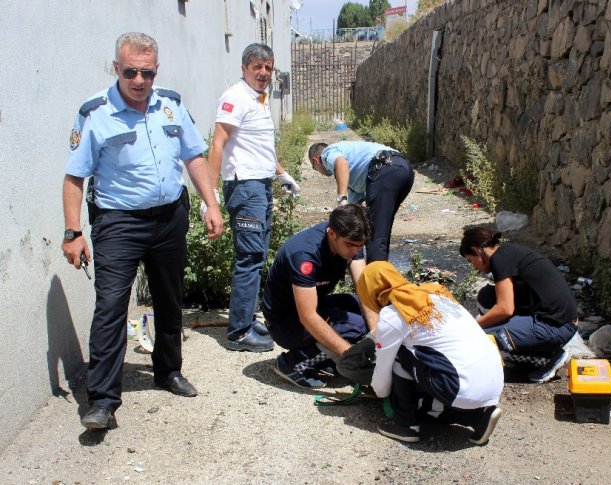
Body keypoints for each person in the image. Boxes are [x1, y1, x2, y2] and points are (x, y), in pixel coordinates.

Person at [61, 32, 223, 430]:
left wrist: (211, 202)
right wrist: (72, 232)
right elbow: (74, 178)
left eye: (146, 72)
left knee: (169, 300)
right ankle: (101, 400)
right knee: (111, 307)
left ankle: (168, 372)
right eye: (130, 71)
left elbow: (194, 156)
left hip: (169, 218)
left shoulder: (171, 104)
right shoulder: (95, 113)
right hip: (119, 224)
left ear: (156, 70)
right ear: (116, 68)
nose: (139, 80)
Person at [207, 43, 300, 352]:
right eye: (257, 66)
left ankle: (245, 318)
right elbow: (218, 144)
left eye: (268, 67)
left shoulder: (258, 100)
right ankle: (238, 333)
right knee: (249, 259)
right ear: (244, 68)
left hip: (260, 185)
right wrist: (212, 197)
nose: (263, 73)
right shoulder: (235, 97)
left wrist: (282, 173)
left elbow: (258, 148)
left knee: (258, 256)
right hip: (245, 188)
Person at [357, 261, 504, 445]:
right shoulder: (435, 293)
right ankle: (477, 418)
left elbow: (383, 369)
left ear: (369, 291)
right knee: (426, 371)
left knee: (399, 354)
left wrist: (383, 394)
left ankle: (405, 425)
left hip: (459, 385)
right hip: (494, 382)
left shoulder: (393, 314)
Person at [262, 204, 376, 389]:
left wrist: (378, 336)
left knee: (363, 310)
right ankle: (292, 363)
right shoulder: (304, 254)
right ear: (332, 234)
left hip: (312, 304)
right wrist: (350, 355)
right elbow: (307, 316)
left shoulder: (352, 238)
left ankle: (328, 359)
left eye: (360, 246)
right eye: (350, 245)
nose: (355, 251)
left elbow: (364, 290)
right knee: (355, 326)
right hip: (283, 321)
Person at [459, 227, 578, 383]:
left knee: (484, 339)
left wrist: (471, 327)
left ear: (476, 249)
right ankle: (526, 343)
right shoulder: (507, 252)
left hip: (555, 326)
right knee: (486, 297)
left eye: (470, 260)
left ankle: (548, 358)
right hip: (558, 319)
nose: (473, 266)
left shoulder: (499, 259)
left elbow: (505, 308)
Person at [307, 141, 414, 263]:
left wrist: (341, 199)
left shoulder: (327, 153)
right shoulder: (356, 178)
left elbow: (341, 163)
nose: (319, 172)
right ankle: (375, 270)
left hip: (384, 170)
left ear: (315, 161)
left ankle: (375, 279)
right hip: (404, 169)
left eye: (314, 168)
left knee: (376, 236)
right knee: (378, 230)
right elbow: (354, 214)